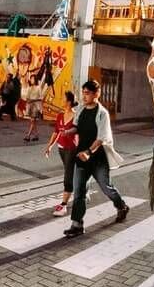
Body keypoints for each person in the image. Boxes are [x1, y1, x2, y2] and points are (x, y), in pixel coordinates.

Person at [64, 79, 128, 238]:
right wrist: (69, 131)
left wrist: (88, 152)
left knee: (106, 187)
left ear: (96, 94)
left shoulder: (102, 113)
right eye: (83, 93)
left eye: (87, 93)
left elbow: (101, 138)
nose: (84, 96)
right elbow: (77, 127)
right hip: (81, 158)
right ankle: (77, 224)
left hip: (97, 158)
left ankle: (122, 206)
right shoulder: (80, 110)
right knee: (79, 192)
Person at [45, 91, 78, 215]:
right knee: (69, 171)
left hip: (72, 148)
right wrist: (49, 146)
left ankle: (63, 204)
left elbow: (78, 132)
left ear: (69, 101)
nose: (61, 100)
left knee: (68, 175)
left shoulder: (76, 116)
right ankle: (82, 188)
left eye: (63, 98)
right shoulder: (60, 115)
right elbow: (56, 132)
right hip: (61, 148)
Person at [23, 74, 44, 142]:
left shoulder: (38, 87)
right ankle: (36, 135)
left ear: (35, 80)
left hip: (36, 106)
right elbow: (27, 97)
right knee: (33, 122)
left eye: (33, 79)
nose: (32, 80)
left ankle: (28, 136)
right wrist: (28, 100)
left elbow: (41, 97)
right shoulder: (29, 88)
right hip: (30, 106)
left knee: (32, 121)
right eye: (31, 79)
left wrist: (33, 100)